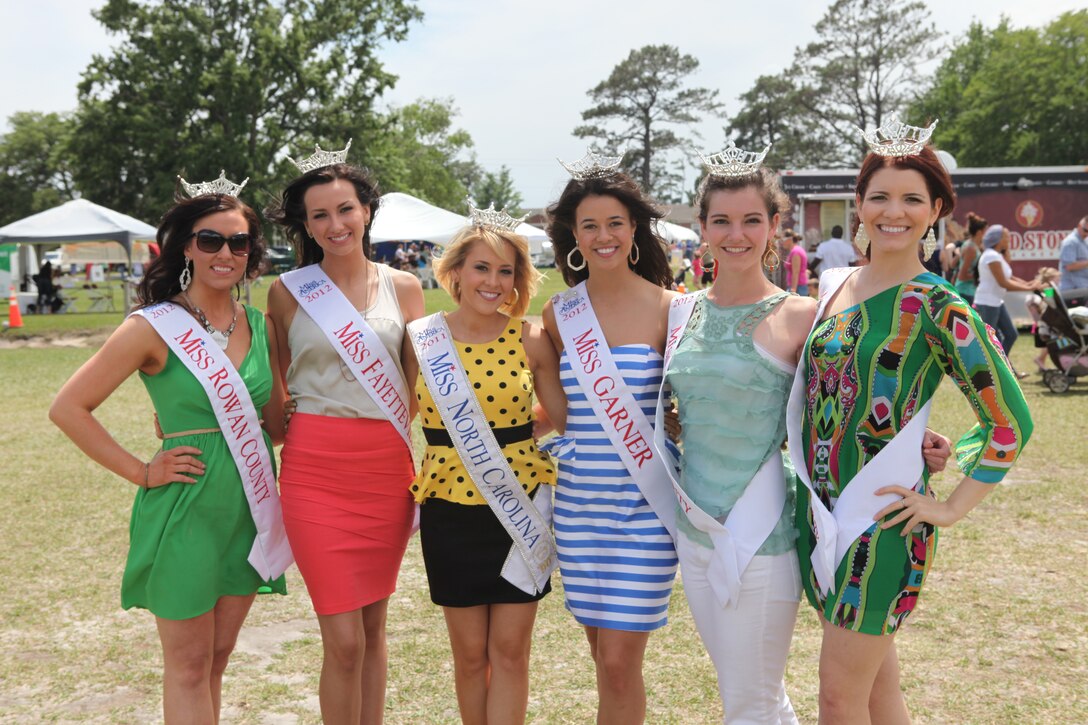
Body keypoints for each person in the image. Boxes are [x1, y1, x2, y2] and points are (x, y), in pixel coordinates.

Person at [655, 149, 953, 724]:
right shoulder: (678, 313)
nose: (735, 234)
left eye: (750, 220)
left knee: (752, 701)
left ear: (774, 227)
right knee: (746, 691)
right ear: (702, 228)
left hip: (761, 530)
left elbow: (850, 400)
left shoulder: (805, 315)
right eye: (721, 220)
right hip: (693, 529)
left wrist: (916, 441)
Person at [788, 124, 1033, 723]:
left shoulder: (939, 305)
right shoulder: (836, 288)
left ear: (936, 213)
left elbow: (1009, 422)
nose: (892, 212)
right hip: (819, 514)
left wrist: (947, 507)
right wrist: (917, 433)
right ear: (860, 204)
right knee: (876, 693)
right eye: (879, 196)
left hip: (881, 525)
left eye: (911, 200)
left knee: (837, 699)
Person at [49, 177, 291, 722]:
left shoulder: (262, 325)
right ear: (185, 245)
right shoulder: (151, 327)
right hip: (186, 506)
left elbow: (274, 426)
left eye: (240, 242)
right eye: (211, 240)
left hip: (248, 506)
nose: (225, 253)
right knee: (186, 665)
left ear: (252, 252)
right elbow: (68, 408)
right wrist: (142, 470)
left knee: (217, 660)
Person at [265, 146, 425, 725]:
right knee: (344, 640)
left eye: (345, 209)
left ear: (367, 211)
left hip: (384, 470)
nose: (335, 225)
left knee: (374, 630)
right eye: (320, 215)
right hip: (314, 470)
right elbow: (275, 390)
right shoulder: (286, 293)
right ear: (305, 226)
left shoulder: (404, 288)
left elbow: (410, 390)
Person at [408, 205, 567, 724]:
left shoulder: (530, 338)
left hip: (519, 507)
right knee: (470, 656)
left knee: (511, 652)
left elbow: (563, 413)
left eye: (506, 271)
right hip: (450, 511)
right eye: (482, 268)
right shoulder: (421, 338)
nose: (493, 282)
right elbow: (386, 411)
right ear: (455, 271)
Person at [541, 153, 679, 724]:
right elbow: (556, 413)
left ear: (634, 230)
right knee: (602, 657)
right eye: (590, 225)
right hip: (579, 509)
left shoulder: (672, 309)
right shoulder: (558, 314)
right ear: (573, 235)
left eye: (615, 224)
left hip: (644, 508)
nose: (604, 236)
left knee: (620, 662)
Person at [974, 224, 1039, 369]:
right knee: (989, 340)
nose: (1009, 239)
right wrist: (1029, 288)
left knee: (1011, 334)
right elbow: (1003, 282)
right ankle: (993, 369)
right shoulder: (991, 255)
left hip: (996, 301)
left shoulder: (997, 255)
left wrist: (1029, 285)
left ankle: (1003, 366)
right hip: (987, 302)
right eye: (1006, 236)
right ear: (997, 239)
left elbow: (1010, 277)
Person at [1027, 267, 1061, 371]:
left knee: (1047, 345)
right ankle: (1040, 360)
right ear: (1051, 279)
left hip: (1043, 323)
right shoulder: (1049, 290)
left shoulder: (1042, 291)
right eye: (1057, 279)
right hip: (1045, 324)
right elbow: (1051, 304)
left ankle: (1041, 361)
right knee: (1050, 344)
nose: (1059, 281)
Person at [954, 211, 986, 304]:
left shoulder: (973, 246)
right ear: (980, 232)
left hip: (969, 292)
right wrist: (980, 276)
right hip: (965, 293)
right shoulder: (970, 248)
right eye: (985, 231)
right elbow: (962, 276)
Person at [1058, 215, 1088, 304]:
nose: (1087, 233)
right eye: (1086, 230)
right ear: (1079, 226)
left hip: (1082, 289)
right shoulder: (1070, 242)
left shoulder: (1084, 241)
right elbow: (1069, 266)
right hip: (1072, 290)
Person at [780, 229, 809, 296]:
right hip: (798, 286)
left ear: (789, 239)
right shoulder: (796, 250)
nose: (782, 242)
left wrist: (793, 290)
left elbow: (796, 272)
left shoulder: (796, 252)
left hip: (798, 287)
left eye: (783, 240)